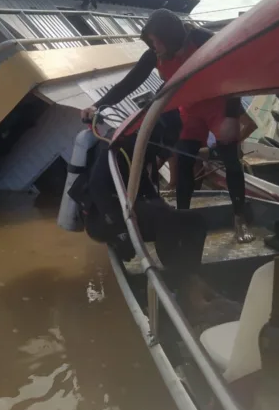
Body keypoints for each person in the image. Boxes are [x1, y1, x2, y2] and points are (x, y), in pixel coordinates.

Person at [81, 9, 254, 242]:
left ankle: (239, 219)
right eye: (150, 42)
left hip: (217, 106)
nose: (153, 47)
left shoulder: (202, 39)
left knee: (230, 159)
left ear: (170, 37)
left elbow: (234, 69)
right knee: (184, 163)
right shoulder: (154, 55)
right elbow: (128, 84)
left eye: (155, 41)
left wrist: (233, 116)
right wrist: (98, 106)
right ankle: (182, 219)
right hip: (189, 110)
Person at [70, 126, 238, 321]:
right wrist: (121, 234)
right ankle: (186, 289)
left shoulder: (142, 150)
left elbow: (145, 187)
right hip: (102, 220)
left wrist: (166, 209)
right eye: (167, 142)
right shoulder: (124, 148)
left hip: (125, 213)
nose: (168, 150)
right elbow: (97, 188)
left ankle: (190, 280)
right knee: (166, 222)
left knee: (195, 221)